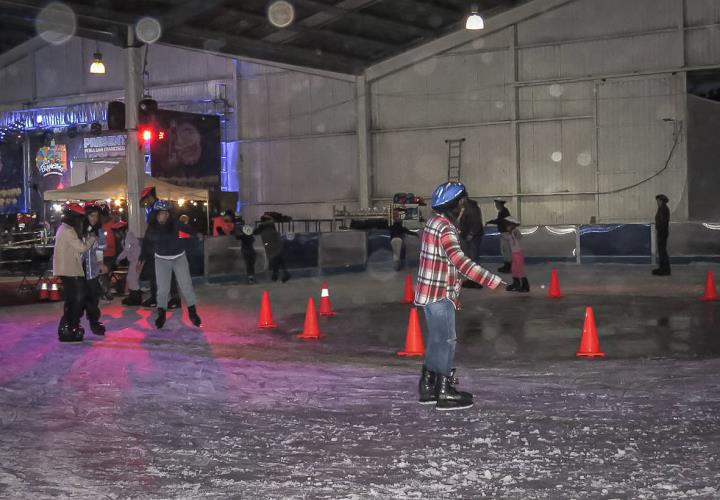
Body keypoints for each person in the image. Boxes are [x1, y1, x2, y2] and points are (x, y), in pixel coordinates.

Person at [415, 182, 504, 411]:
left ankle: (428, 386)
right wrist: (490, 280)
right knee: (446, 341)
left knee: (436, 340)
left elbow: (444, 261)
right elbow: (459, 261)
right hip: (439, 293)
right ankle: (444, 391)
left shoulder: (432, 223)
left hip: (427, 291)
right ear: (459, 204)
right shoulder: (445, 228)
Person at [141, 200, 202, 329]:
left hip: (179, 257)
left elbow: (188, 229)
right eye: (161, 213)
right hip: (161, 260)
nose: (164, 216)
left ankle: (192, 312)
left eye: (166, 213)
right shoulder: (152, 227)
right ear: (155, 214)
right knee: (162, 289)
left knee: (186, 285)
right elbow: (147, 241)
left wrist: (196, 234)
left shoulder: (174, 223)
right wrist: (143, 255)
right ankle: (161, 313)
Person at [52, 203, 97, 342]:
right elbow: (81, 248)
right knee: (78, 298)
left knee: (73, 298)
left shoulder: (65, 228)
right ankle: (70, 325)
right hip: (70, 270)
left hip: (67, 269)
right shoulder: (68, 231)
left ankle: (69, 326)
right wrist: (92, 238)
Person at [81, 203, 107, 335]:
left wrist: (101, 263)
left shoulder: (99, 232)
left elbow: (99, 250)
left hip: (92, 270)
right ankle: (74, 322)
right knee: (79, 297)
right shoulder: (80, 230)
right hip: (78, 269)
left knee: (92, 296)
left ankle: (94, 321)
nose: (95, 218)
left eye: (97, 216)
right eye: (92, 215)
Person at [458, 196, 485, 288]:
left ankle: (476, 281)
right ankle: (471, 279)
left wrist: (471, 234)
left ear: (464, 198)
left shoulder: (472, 208)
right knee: (470, 259)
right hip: (467, 236)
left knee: (473, 258)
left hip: (473, 237)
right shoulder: (465, 208)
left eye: (460, 200)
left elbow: (476, 223)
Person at [255, 214, 290, 283]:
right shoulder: (271, 225)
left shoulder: (262, 226)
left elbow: (255, 232)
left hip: (271, 246)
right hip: (276, 245)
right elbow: (276, 235)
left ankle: (277, 276)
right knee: (279, 260)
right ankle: (281, 274)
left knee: (276, 260)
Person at [502, 217, 530, 293]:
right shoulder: (511, 233)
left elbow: (518, 237)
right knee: (514, 269)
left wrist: (511, 234)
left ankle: (525, 286)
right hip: (515, 254)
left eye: (508, 225)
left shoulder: (515, 231)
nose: (506, 227)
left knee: (519, 270)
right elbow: (509, 238)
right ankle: (516, 284)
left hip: (518, 253)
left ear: (512, 225)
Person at [118, 228, 143, 306]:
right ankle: (134, 297)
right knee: (132, 279)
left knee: (132, 279)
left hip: (137, 260)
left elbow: (126, 250)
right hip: (135, 260)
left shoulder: (129, 237)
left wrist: (118, 258)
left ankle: (135, 299)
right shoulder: (127, 237)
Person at [486, 198, 512, 273]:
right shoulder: (502, 211)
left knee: (506, 250)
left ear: (501, 204)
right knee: (504, 250)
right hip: (504, 233)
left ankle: (508, 266)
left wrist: (491, 221)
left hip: (506, 233)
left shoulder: (504, 212)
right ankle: (507, 265)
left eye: (497, 204)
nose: (496, 206)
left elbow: (500, 221)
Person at [99, 203, 118, 300]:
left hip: (110, 254)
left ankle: (106, 292)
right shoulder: (99, 225)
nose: (102, 217)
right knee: (103, 274)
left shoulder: (113, 224)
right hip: (101, 254)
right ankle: (105, 291)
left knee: (105, 274)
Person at [653, 194, 671, 276]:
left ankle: (665, 270)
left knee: (662, 251)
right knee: (662, 251)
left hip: (662, 233)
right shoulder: (662, 208)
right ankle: (663, 269)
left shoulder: (663, 209)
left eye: (658, 200)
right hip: (662, 232)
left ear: (661, 201)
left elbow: (662, 222)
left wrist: (660, 230)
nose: (657, 202)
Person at [237, 220, 257, 284]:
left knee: (249, 265)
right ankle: (251, 277)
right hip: (250, 251)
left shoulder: (243, 235)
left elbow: (237, 237)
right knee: (250, 265)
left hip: (247, 251)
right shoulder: (248, 235)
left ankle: (250, 278)